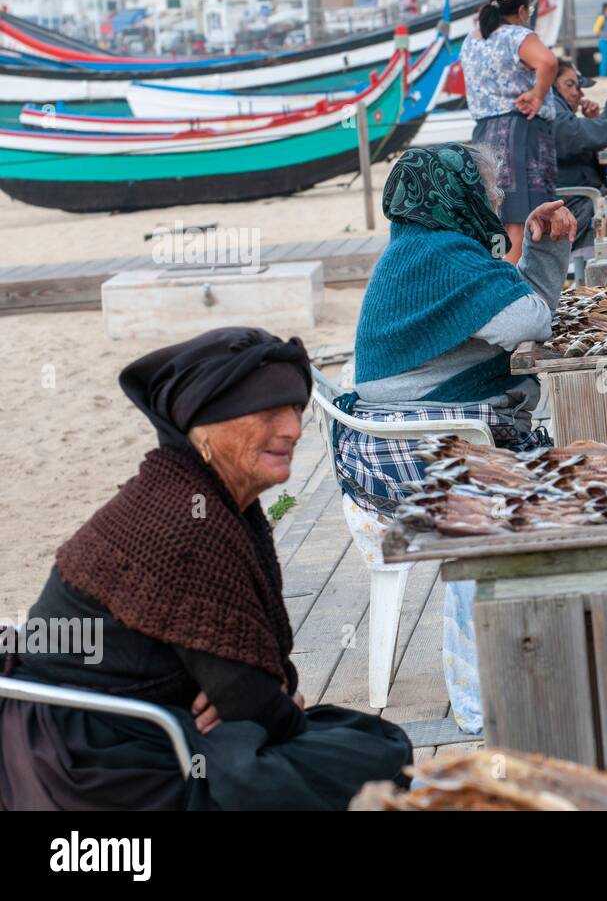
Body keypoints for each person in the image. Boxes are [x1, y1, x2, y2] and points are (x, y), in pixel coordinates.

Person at [0, 328, 412, 810]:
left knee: (357, 738)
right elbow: (250, 698)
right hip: (94, 760)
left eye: (296, 409)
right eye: (268, 414)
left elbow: (249, 682)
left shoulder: (199, 493)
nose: (293, 430)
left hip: (120, 724)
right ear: (204, 427)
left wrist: (260, 693)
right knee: (372, 753)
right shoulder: (185, 519)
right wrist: (264, 697)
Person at [338, 144, 576, 732]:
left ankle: (538, 659)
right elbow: (527, 320)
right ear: (458, 193)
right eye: (487, 186)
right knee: (554, 492)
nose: (496, 199)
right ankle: (489, 696)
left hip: (397, 445)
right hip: (405, 461)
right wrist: (541, 257)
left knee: (559, 473)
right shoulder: (440, 256)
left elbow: (526, 309)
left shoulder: (426, 248)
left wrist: (543, 250)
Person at [461, 0, 559, 265]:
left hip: (483, 134)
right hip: (518, 132)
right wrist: (538, 94)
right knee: (518, 216)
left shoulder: (471, 41)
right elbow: (549, 62)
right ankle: (512, 284)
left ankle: (495, 274)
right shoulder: (517, 35)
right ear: (521, 11)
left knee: (495, 213)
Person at [551, 57, 607, 247]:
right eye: (569, 85)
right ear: (552, 84)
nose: (577, 93)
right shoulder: (552, 106)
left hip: (578, 202)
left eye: (578, 87)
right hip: (574, 208)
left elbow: (580, 140)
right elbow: (569, 132)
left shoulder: (557, 109)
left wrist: (597, 120)